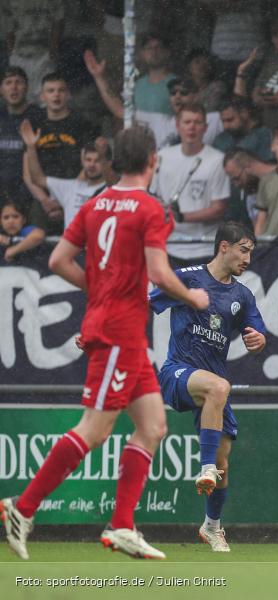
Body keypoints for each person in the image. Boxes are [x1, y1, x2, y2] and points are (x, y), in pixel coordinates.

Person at [1, 126, 210, 561]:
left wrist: (97, 290)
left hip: (121, 331)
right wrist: (192, 296)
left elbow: (59, 260)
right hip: (117, 332)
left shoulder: (94, 205)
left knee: (152, 426)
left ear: (115, 161)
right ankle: (21, 508)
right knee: (94, 430)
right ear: (152, 160)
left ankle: (122, 525)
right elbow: (159, 272)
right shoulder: (151, 209)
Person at [150, 221, 266, 553]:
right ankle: (205, 469)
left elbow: (257, 334)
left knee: (224, 465)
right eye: (243, 250)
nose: (247, 259)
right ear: (224, 247)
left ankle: (212, 527)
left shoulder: (242, 295)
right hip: (178, 373)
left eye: (252, 253)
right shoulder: (187, 277)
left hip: (215, 385)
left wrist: (258, 340)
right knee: (219, 388)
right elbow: (144, 304)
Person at [85, 51, 224, 150]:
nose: (177, 96)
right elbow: (119, 110)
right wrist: (99, 77)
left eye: (184, 92)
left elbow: (240, 116)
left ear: (196, 95)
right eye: (173, 93)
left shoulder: (213, 119)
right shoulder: (158, 120)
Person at [153, 103, 231, 264]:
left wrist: (182, 217)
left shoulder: (218, 159)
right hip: (169, 246)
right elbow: (153, 196)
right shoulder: (161, 156)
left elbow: (219, 209)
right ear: (177, 125)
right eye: (187, 122)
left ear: (206, 127)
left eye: (197, 122)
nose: (192, 127)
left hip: (205, 248)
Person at [21, 122, 109, 229]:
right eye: (88, 160)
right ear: (82, 162)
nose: (91, 165)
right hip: (71, 245)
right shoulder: (70, 187)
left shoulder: (112, 189)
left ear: (106, 162)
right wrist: (31, 147)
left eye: (97, 161)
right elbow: (38, 179)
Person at [0, 66, 43, 206]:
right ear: (1, 90)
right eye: (8, 82)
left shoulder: (39, 117)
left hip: (31, 192)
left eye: (18, 82)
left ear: (27, 87)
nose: (14, 87)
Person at [222, 147, 274, 226]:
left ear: (248, 166)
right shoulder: (251, 198)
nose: (236, 184)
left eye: (237, 178)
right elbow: (258, 230)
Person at [212, 95, 273, 161]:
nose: (225, 126)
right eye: (223, 121)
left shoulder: (266, 136)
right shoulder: (222, 139)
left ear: (244, 113)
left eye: (230, 120)